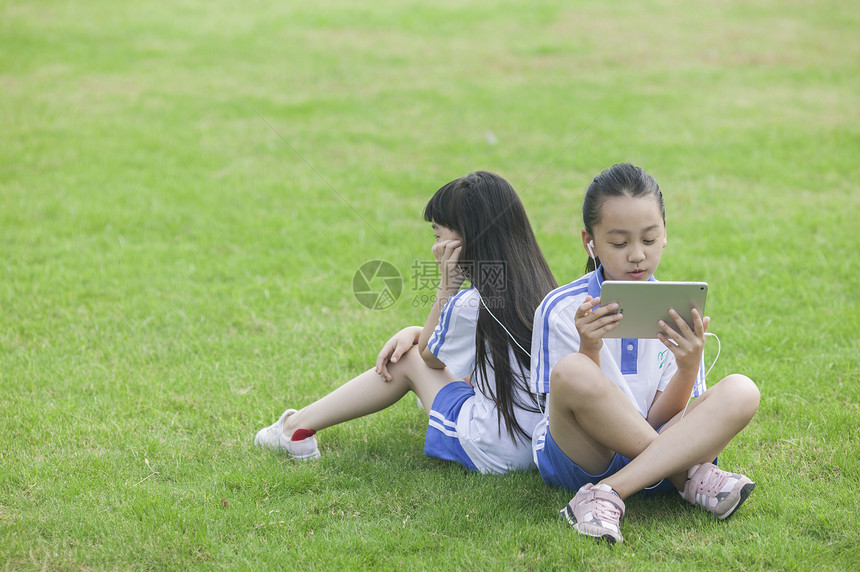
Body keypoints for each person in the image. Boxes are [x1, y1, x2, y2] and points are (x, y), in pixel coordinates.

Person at [255, 171, 557, 474]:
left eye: (438, 236)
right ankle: (295, 427)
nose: (433, 247)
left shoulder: (470, 305)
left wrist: (446, 286)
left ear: (464, 240)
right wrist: (415, 331)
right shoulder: (542, 289)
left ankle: (294, 429)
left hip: (495, 450)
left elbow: (430, 358)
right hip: (540, 441)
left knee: (406, 360)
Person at [530, 163, 760, 543]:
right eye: (619, 243)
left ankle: (608, 493)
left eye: (649, 240)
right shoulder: (561, 308)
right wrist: (589, 345)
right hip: (585, 457)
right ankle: (686, 477)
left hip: (657, 441)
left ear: (665, 234)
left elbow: (661, 418)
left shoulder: (676, 306)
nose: (636, 255)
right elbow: (566, 407)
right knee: (572, 370)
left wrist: (688, 367)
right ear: (590, 241)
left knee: (742, 390)